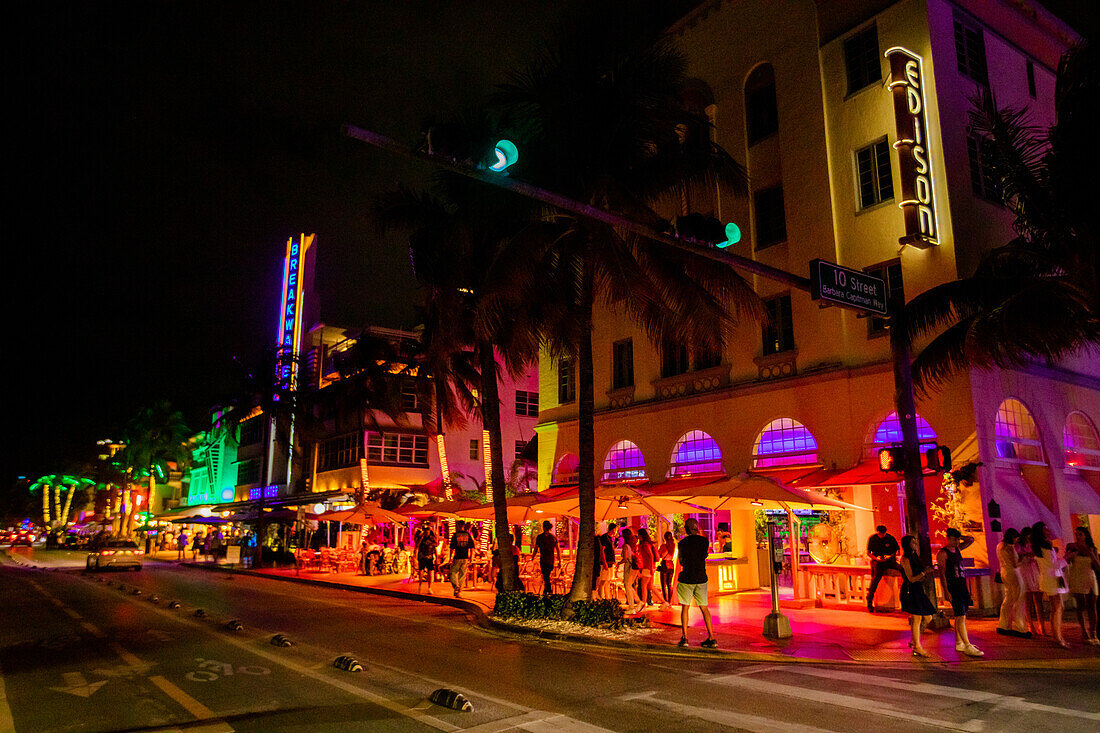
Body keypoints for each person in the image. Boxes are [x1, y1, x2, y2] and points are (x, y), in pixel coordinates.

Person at [938, 527, 982, 656]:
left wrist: (960, 536)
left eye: (957, 539)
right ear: (948, 538)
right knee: (960, 615)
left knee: (960, 615)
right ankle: (967, 644)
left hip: (962, 584)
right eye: (954, 539)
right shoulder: (943, 553)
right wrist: (946, 591)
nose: (957, 541)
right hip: (953, 586)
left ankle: (959, 642)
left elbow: (971, 539)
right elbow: (942, 574)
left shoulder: (957, 549)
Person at [675, 517, 716, 648]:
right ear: (697, 528)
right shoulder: (704, 541)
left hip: (687, 577)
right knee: (704, 608)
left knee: (685, 607)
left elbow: (681, 561)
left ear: (686, 529)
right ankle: (711, 637)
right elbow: (705, 555)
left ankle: (685, 637)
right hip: (701, 577)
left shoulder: (682, 544)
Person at [1031, 521, 1069, 648]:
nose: (1048, 531)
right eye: (1045, 529)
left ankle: (1056, 634)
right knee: (1058, 607)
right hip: (1051, 577)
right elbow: (1053, 564)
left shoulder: (1043, 546)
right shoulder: (1044, 547)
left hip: (1052, 577)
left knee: (1058, 606)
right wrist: (1066, 558)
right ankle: (1058, 637)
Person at [899, 534, 937, 657]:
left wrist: (926, 571)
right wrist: (924, 572)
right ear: (907, 545)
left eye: (916, 542)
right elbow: (911, 578)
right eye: (913, 542)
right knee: (917, 618)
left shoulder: (915, 556)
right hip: (911, 590)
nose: (915, 544)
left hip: (918, 589)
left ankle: (915, 640)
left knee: (928, 617)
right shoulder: (905, 559)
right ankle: (917, 646)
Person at [1065, 526, 1099, 645]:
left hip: (1089, 577)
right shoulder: (1072, 547)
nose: (1078, 536)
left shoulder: (1091, 549)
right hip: (1077, 577)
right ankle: (1084, 631)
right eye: (1076, 534)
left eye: (1080, 534)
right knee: (1081, 605)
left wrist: (1089, 552)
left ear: (1086, 535)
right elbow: (1066, 561)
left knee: (1092, 605)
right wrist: (1072, 554)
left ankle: (1093, 631)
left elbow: (1097, 565)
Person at [995, 528, 1030, 637]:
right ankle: (1021, 627)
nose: (1016, 540)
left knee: (1008, 598)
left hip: (1004, 572)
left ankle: (1004, 625)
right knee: (1019, 598)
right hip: (1014, 573)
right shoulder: (1009, 548)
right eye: (1016, 538)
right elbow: (1015, 564)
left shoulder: (1000, 546)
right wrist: (1024, 558)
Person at [866, 525, 902, 613]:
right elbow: (868, 552)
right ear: (877, 532)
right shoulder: (873, 539)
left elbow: (897, 550)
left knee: (902, 570)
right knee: (876, 579)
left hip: (890, 560)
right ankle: (870, 600)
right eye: (880, 534)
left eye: (883, 534)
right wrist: (876, 558)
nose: (881, 535)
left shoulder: (890, 538)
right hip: (877, 561)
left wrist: (889, 556)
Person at [1016, 526, 1045, 636]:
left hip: (1035, 571)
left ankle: (1041, 625)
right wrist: (1025, 555)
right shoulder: (1019, 546)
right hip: (1025, 571)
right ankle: (1030, 625)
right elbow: (1017, 559)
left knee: (1038, 600)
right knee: (1028, 600)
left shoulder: (1035, 545)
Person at [635, 528, 661, 612]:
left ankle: (643, 604)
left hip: (647, 568)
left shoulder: (645, 545)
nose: (638, 536)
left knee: (644, 587)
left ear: (641, 536)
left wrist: (649, 569)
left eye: (638, 535)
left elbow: (650, 556)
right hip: (650, 567)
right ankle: (664, 602)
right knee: (650, 587)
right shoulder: (646, 544)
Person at [448, 520, 475, 598]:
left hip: (457, 557)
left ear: (458, 525)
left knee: (452, 572)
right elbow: (472, 547)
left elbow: (451, 548)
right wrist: (471, 557)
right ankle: (459, 590)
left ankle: (456, 587)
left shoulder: (455, 535)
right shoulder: (467, 535)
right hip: (465, 557)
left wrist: (450, 558)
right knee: (462, 575)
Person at [532, 520, 560, 595]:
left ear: (543, 527)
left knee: (545, 575)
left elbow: (536, 548)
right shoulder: (553, 538)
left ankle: (548, 590)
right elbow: (558, 550)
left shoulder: (540, 537)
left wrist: (533, 557)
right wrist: (559, 560)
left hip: (543, 559)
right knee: (546, 575)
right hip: (551, 559)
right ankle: (547, 590)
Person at [620, 527, 640, 612]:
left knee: (627, 585)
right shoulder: (633, 545)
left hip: (629, 566)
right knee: (629, 585)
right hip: (635, 567)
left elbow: (625, 558)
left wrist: (618, 563)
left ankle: (632, 606)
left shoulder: (626, 546)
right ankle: (638, 602)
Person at [416, 521, 438, 595]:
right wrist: (421, 537)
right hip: (422, 556)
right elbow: (417, 545)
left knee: (430, 572)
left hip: (430, 556)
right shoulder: (421, 537)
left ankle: (429, 587)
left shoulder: (432, 538)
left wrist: (436, 556)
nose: (427, 532)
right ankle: (420, 586)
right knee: (421, 571)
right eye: (426, 530)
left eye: (428, 530)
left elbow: (435, 545)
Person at [657, 530, 676, 610]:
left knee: (663, 585)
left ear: (664, 538)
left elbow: (658, 555)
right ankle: (670, 602)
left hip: (665, 565)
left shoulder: (663, 546)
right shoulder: (673, 545)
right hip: (671, 564)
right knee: (669, 584)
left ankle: (665, 602)